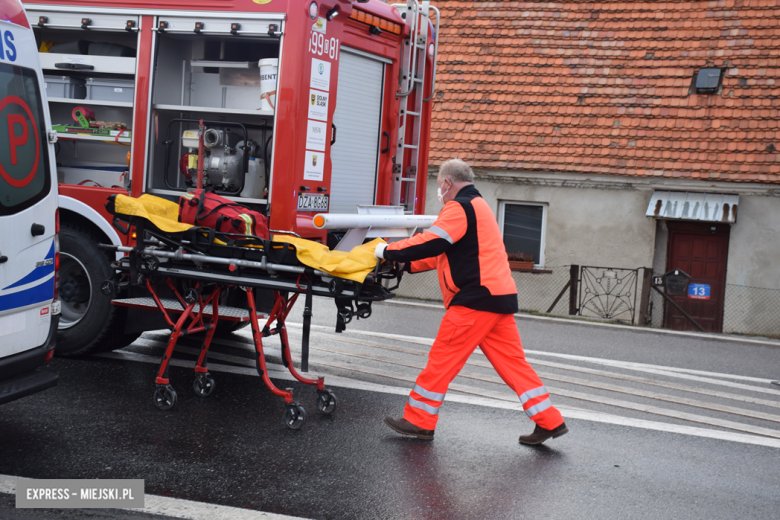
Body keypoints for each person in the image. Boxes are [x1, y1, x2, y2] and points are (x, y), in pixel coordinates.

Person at [373, 158, 568, 445]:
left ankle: (418, 420)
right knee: (515, 366)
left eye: (440, 186)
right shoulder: (479, 206)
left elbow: (432, 241)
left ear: (447, 183)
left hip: (474, 301)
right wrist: (407, 265)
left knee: (441, 361)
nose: (440, 193)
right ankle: (550, 420)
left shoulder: (459, 207)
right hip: (498, 298)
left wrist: (387, 251)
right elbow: (445, 253)